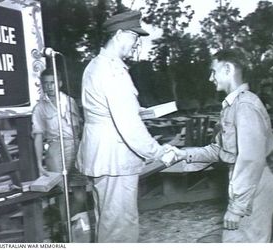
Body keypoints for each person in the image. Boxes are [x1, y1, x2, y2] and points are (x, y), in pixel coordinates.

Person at [165, 49, 273, 242]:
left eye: (213, 71)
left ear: (227, 69)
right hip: (246, 183)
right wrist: (182, 154)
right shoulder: (233, 105)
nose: (211, 78)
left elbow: (251, 159)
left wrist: (237, 208)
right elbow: (220, 149)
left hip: (253, 185)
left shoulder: (245, 105)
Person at [76, 10, 170, 243]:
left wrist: (137, 111)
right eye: (134, 37)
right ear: (119, 35)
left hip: (102, 156)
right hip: (115, 158)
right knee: (120, 229)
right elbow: (128, 127)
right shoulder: (113, 71)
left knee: (107, 222)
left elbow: (105, 110)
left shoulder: (95, 65)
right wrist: (160, 152)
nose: (137, 44)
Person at [32, 68, 88, 241]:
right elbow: (38, 136)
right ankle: (66, 234)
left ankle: (72, 224)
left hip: (76, 146)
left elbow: (81, 126)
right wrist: (39, 164)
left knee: (80, 194)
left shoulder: (70, 102)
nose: (49, 87)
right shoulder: (40, 108)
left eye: (52, 83)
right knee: (62, 194)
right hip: (56, 149)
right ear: (42, 86)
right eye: (45, 83)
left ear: (60, 83)